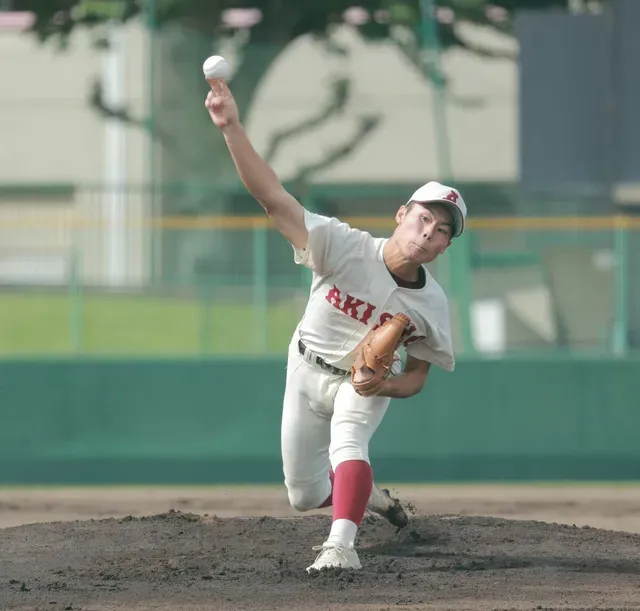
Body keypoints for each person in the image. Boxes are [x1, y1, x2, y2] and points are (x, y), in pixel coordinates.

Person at [205, 79, 466, 573]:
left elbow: (417, 378)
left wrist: (383, 383)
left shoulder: (431, 304)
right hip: (304, 366)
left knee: (350, 440)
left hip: (359, 386)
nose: (428, 232)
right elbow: (273, 199)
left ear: (444, 247)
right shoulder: (343, 246)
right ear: (401, 215)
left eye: (441, 231)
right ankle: (369, 497)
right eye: (423, 219)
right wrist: (231, 128)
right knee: (303, 495)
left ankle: (341, 546)